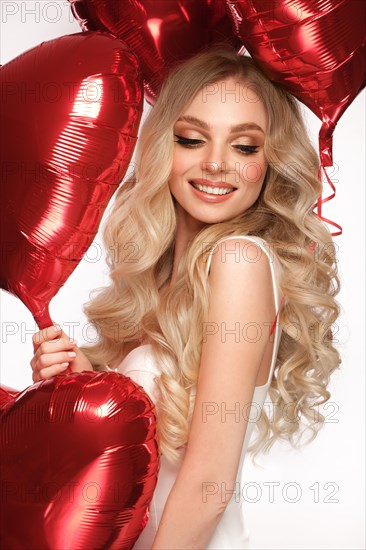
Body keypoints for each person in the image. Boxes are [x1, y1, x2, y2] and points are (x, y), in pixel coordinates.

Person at [30, 46, 341, 549]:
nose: (216, 164)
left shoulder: (240, 261)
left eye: (245, 147)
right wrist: (80, 378)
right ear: (162, 149)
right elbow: (147, 454)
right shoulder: (168, 275)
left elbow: (209, 483)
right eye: (192, 139)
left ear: (271, 162)